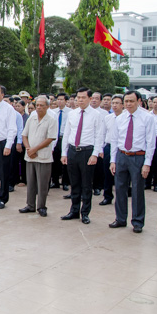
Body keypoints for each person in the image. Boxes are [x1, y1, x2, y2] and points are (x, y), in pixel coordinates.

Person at [109, 91, 156, 233]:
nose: (128, 104)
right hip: (122, 156)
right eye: (126, 101)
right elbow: (114, 141)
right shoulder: (119, 118)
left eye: (132, 101)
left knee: (137, 190)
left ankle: (137, 221)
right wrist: (113, 161)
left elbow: (151, 142)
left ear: (139, 101)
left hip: (138, 157)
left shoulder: (147, 118)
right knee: (120, 189)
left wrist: (147, 163)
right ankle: (120, 219)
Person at [60, 88, 103, 224]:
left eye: (83, 97)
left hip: (87, 152)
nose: (80, 100)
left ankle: (85, 213)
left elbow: (99, 136)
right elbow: (67, 134)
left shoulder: (96, 115)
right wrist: (64, 153)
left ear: (90, 99)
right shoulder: (72, 114)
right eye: (78, 97)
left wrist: (95, 154)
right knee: (75, 183)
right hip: (73, 151)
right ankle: (74, 210)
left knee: (86, 184)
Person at [19, 96, 57, 217]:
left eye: (42, 105)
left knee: (42, 184)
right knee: (30, 182)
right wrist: (29, 149)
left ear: (47, 106)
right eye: (37, 105)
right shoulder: (31, 118)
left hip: (43, 157)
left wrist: (35, 149)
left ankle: (41, 206)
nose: (39, 107)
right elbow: (24, 135)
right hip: (30, 156)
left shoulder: (51, 120)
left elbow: (50, 138)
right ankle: (30, 205)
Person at [100, 95, 124, 206]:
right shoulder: (108, 118)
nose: (114, 105)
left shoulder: (126, 118)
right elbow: (103, 134)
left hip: (121, 148)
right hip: (109, 147)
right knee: (107, 173)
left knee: (120, 174)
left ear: (122, 105)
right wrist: (101, 148)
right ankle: (107, 196)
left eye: (117, 103)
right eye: (113, 103)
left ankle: (121, 197)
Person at [51, 93, 72, 192]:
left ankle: (65, 183)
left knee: (65, 161)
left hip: (65, 138)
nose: (59, 101)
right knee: (54, 161)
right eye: (58, 99)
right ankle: (55, 181)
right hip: (55, 138)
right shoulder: (53, 112)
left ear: (66, 101)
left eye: (62, 99)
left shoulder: (71, 112)